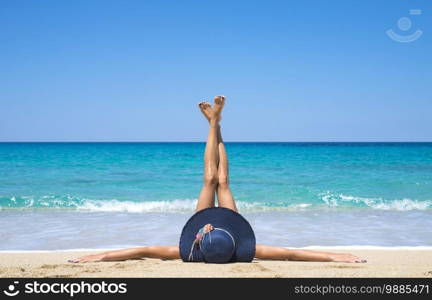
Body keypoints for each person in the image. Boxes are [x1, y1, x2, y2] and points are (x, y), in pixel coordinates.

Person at [70, 96, 366, 264]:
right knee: (222, 180)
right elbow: (290, 254)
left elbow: (142, 251)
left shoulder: (187, 251)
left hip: (205, 229)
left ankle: (213, 123)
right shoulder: (245, 252)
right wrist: (334, 257)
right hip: (224, 229)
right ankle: (216, 123)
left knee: (210, 178)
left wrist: (99, 257)